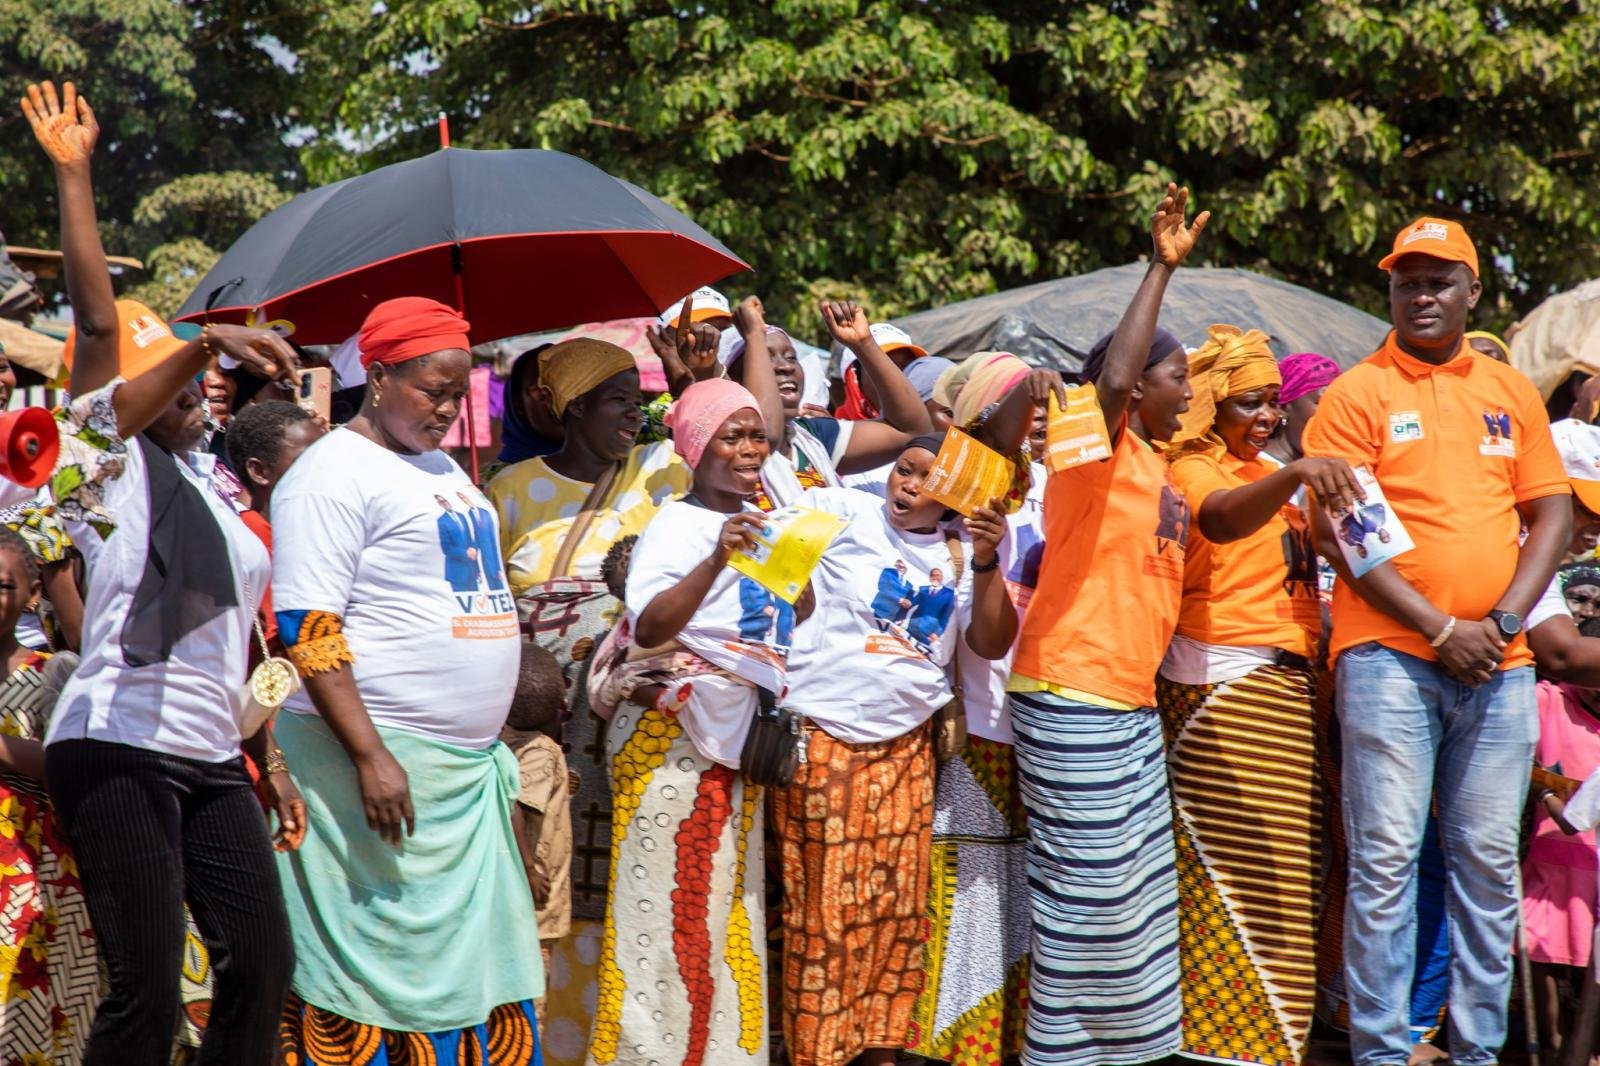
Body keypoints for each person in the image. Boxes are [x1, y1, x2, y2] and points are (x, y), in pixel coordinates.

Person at [24, 78, 303, 1066]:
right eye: (181, 369)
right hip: (117, 744)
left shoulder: (216, 481)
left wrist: (264, 759)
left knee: (264, 966)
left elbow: (237, 637)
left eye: (208, 374)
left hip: (209, 753)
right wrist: (75, 175)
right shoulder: (99, 463)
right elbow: (99, 334)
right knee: (147, 998)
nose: (205, 380)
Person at [1302, 215, 1572, 1066]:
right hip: (1388, 658)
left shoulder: (1511, 392)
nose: (1422, 295)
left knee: (1488, 865)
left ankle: (1478, 1050)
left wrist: (1495, 626)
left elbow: (1552, 512)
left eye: (1439, 280)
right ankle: (1382, 1051)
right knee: (1385, 862)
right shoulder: (1356, 395)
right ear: (1389, 291)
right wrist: (1439, 628)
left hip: (1502, 665)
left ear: (1472, 291)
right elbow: (1345, 534)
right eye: (1407, 281)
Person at [271, 295, 543, 1063]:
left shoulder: (437, 467)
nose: (451, 408)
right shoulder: (330, 473)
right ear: (381, 377)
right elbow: (310, 630)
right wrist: (369, 755)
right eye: (434, 390)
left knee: (479, 980)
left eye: (461, 392)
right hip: (373, 767)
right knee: (371, 980)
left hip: (459, 781)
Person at [1005, 183, 1207, 1066]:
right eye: (1178, 374)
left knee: (1134, 899)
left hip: (1124, 703)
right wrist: (1158, 269)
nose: (1188, 388)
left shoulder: (1163, 470)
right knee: (1090, 900)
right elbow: (1114, 378)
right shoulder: (1091, 441)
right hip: (1068, 688)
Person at [1155, 324, 1361, 1065]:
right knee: (1238, 876)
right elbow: (1217, 520)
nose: (1269, 417)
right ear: (1212, 403)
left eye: (1276, 403)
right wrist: (1298, 473)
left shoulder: (1268, 472)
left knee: (1288, 881)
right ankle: (1219, 1048)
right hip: (1223, 688)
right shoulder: (1193, 471)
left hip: (1289, 687)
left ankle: (1265, 1045)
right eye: (1252, 402)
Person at [585, 377, 806, 1066]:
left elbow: (800, 614)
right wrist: (719, 557)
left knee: (718, 916)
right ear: (694, 448)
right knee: (661, 916)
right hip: (669, 742)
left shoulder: (758, 518)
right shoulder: (678, 527)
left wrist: (792, 551)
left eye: (755, 436)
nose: (748, 449)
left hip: (731, 737)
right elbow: (650, 626)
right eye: (730, 437)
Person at [770, 433, 973, 1066]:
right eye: (902, 470)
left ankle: (880, 1050)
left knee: (895, 909)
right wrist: (793, 608)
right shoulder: (844, 511)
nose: (907, 484)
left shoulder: (962, 556)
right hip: (826, 737)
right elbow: (771, 575)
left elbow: (971, 649)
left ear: (954, 495)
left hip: (908, 749)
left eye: (925, 478)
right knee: (823, 909)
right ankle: (820, 1051)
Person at [490, 338, 692, 599]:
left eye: (637, 401)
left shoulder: (661, 464)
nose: (635, 413)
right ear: (577, 405)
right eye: (620, 399)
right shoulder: (509, 489)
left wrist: (689, 387)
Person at [0, 528, 97, 1063]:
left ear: (33, 594)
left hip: (32, 859)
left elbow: (66, 764)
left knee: (39, 997)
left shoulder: (53, 674)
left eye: (1, 585)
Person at [727, 300, 932, 503]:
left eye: (790, 357)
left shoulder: (813, 437)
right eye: (766, 358)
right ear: (733, 380)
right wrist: (754, 336)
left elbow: (910, 431)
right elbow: (765, 434)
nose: (785, 367)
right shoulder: (722, 448)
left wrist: (863, 343)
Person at [501, 639, 573, 1029]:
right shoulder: (540, 751)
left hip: (523, 905)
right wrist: (529, 866)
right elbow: (515, 805)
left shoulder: (498, 745)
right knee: (531, 1005)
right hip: (535, 905)